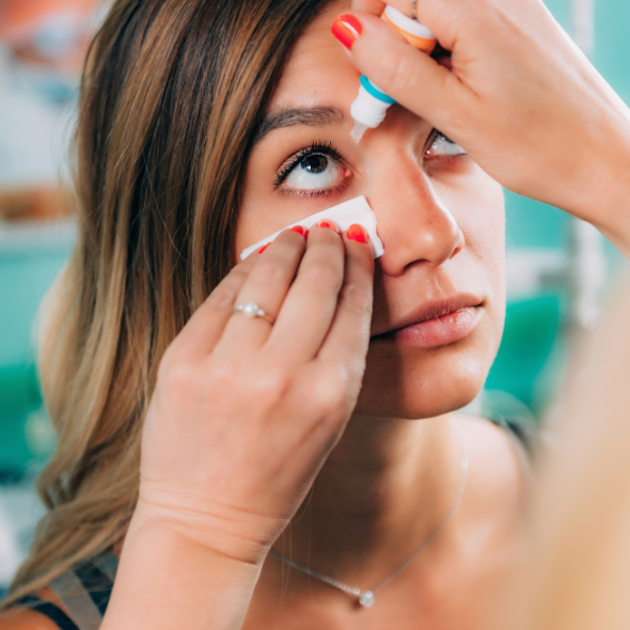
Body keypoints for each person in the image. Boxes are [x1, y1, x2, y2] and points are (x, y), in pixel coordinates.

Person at [0, 0, 628, 628]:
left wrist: (609, 159)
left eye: (447, 133)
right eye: (313, 165)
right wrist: (197, 544)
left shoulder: (599, 509)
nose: (432, 237)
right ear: (173, 240)